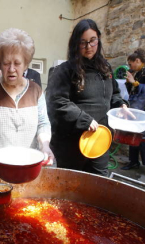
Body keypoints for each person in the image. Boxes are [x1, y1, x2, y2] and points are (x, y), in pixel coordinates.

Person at [46, 19, 128, 176]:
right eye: (83, 42)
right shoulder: (64, 70)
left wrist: (121, 105)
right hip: (71, 143)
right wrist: (84, 119)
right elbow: (57, 101)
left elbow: (115, 94)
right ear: (76, 44)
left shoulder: (105, 67)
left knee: (99, 183)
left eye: (92, 41)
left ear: (98, 39)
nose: (89, 47)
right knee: (71, 184)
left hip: (100, 139)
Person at [0, 28, 54, 167]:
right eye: (6, 63)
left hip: (28, 166)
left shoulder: (36, 91)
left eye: (17, 63)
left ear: (26, 64)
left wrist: (45, 145)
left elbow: (43, 123)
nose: (11, 69)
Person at [121, 49, 145, 179]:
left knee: (143, 136)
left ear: (137, 61)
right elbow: (132, 91)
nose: (130, 67)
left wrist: (133, 82)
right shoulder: (136, 71)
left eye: (131, 64)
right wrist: (128, 82)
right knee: (133, 134)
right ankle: (133, 162)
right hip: (135, 107)